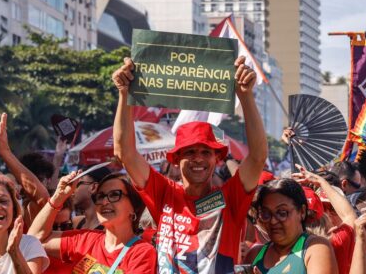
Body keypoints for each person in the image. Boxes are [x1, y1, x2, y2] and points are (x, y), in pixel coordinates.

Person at [112, 56, 268, 272]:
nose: (198, 158)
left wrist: (245, 96)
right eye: (190, 152)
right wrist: (124, 94)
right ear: (176, 159)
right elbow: (125, 153)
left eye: (206, 152)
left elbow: (258, 156)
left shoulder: (231, 198)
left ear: (217, 159)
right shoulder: (164, 193)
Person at [28, 171, 156, 273]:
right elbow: (35, 239)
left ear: (134, 206)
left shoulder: (141, 252)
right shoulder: (87, 239)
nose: (104, 202)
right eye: (100, 196)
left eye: (114, 195)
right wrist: (58, 196)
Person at [248, 179, 337, 274]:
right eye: (266, 214)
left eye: (282, 213)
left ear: (302, 212)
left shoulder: (316, 248)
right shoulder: (255, 254)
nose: (273, 221)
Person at [293, 166, 358, 274]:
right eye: (324, 207)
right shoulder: (338, 241)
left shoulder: (279, 251)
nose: (328, 213)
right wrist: (321, 181)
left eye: (332, 208)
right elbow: (349, 216)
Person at [71, 164, 111, 230]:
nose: (72, 189)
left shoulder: (109, 230)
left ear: (93, 187)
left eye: (77, 184)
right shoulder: (75, 222)